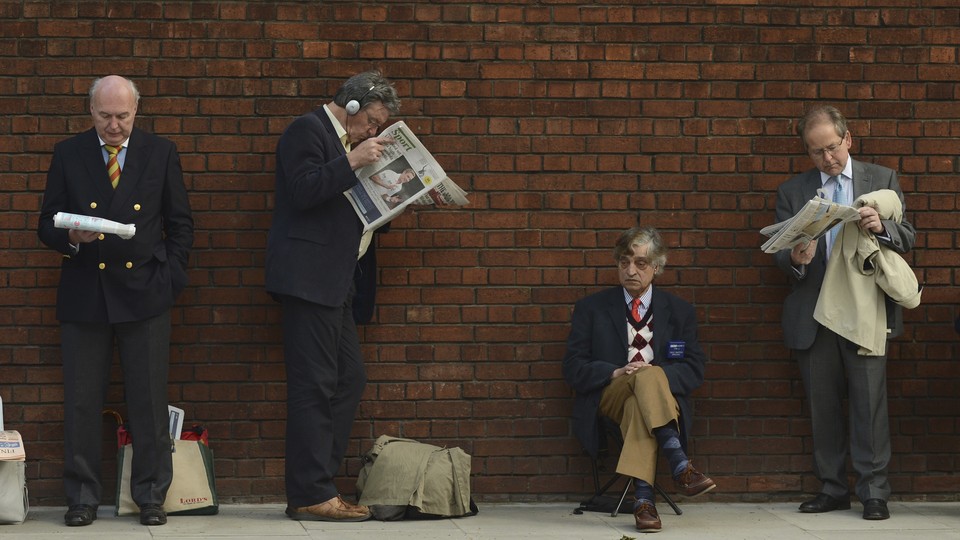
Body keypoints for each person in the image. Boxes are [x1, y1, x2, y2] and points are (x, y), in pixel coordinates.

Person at [37, 75, 194, 527]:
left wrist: (170, 277)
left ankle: (150, 497)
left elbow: (180, 223)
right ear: (91, 112)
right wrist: (71, 237)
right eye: (105, 115)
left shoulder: (160, 152)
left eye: (123, 116)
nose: (114, 125)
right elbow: (45, 222)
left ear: (136, 112)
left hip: (145, 292)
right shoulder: (68, 152)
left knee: (148, 400)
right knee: (83, 402)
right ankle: (82, 498)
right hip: (86, 292)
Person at [265, 70, 400, 522]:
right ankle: (309, 493)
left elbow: (353, 208)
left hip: (339, 281)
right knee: (314, 385)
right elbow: (302, 190)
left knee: (348, 379)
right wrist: (356, 159)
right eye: (373, 122)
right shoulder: (308, 130)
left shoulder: (354, 144)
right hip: (308, 278)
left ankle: (320, 483)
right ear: (354, 107)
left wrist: (400, 193)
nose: (375, 132)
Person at [774, 106, 915, 521]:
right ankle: (833, 488)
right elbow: (781, 254)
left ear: (848, 139)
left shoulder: (882, 180)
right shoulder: (792, 190)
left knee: (870, 406)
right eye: (816, 153)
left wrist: (881, 227)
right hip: (815, 313)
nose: (827, 159)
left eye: (832, 148)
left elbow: (908, 237)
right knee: (823, 407)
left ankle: (874, 492)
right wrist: (797, 257)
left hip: (865, 310)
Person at [563, 226, 716, 533]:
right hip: (610, 396)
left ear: (657, 267)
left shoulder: (680, 311)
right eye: (624, 262)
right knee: (636, 385)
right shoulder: (591, 308)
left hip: (659, 402)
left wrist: (653, 374)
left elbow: (694, 369)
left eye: (640, 263)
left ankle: (643, 501)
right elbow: (574, 367)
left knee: (644, 391)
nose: (630, 270)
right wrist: (614, 371)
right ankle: (678, 461)